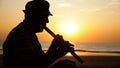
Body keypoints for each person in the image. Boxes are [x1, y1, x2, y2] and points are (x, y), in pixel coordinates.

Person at [2, 0, 75, 68]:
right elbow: (34, 66)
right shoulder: (20, 35)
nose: (47, 21)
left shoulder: (29, 33)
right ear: (33, 17)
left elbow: (41, 60)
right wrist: (57, 53)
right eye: (44, 17)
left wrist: (53, 48)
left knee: (66, 63)